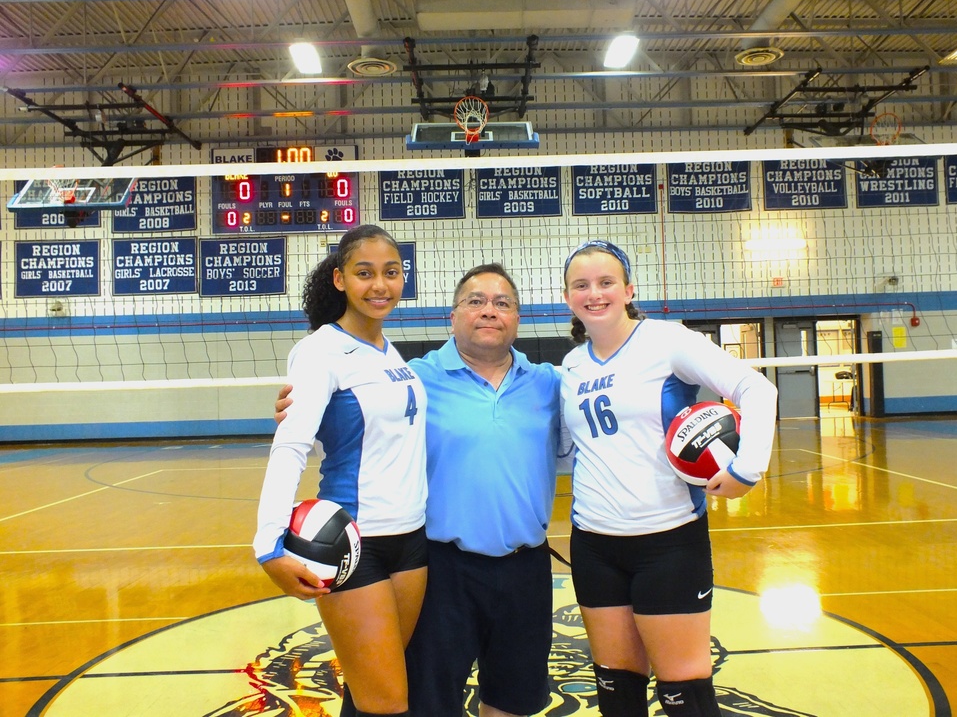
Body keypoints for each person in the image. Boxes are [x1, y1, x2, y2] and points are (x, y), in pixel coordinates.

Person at [276, 262, 566, 717]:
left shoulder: (550, 383)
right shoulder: (412, 379)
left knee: (514, 700)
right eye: (475, 301)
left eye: (502, 303)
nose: (489, 311)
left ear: (517, 318)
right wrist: (301, 410)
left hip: (525, 569)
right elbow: (347, 421)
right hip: (441, 570)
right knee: (422, 701)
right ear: (452, 316)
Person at [559, 240, 777, 717]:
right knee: (616, 688)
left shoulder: (667, 340)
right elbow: (569, 450)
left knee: (685, 693)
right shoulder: (571, 366)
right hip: (594, 544)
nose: (594, 293)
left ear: (628, 289)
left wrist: (746, 469)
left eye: (605, 283)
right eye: (581, 285)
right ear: (568, 296)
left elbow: (756, 388)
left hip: (668, 541)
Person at [254, 225, 428, 717]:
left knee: (370, 689)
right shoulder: (319, 352)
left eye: (391, 273)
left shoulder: (390, 351)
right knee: (389, 702)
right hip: (355, 543)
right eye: (365, 273)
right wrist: (268, 545)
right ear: (339, 280)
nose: (380, 285)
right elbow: (290, 448)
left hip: (411, 540)